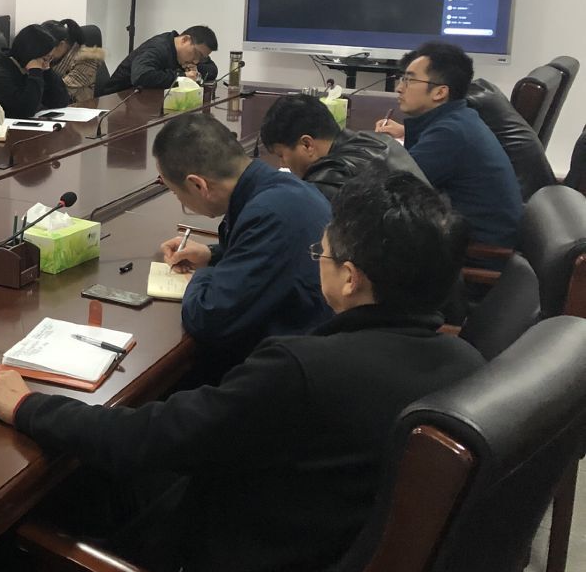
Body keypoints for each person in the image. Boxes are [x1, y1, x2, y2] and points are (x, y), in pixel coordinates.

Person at [0, 171, 484, 572]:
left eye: (322, 253)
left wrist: (28, 407)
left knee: (22, 538)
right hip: (314, 553)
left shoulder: (303, 371)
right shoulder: (467, 361)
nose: (317, 260)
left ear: (350, 278)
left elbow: (148, 438)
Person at [155, 112, 332, 380]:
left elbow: (208, 318)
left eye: (175, 192)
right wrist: (212, 255)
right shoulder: (281, 188)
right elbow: (263, 257)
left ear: (198, 185)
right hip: (309, 349)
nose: (179, 199)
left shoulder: (269, 214)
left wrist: (204, 275)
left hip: (295, 374)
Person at [374, 42, 522, 249]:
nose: (399, 88)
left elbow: (388, 186)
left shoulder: (449, 133)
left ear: (439, 92)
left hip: (477, 254)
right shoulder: (459, 119)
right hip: (462, 237)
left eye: (409, 80)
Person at [259, 92, 428, 202]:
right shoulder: (378, 139)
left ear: (307, 144)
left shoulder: (327, 183)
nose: (282, 164)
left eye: (281, 155)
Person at [0, 23, 71, 119]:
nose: (46, 64)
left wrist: (47, 71)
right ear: (30, 54)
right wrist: (35, 72)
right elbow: (26, 110)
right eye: (45, 59)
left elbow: (60, 101)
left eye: (50, 58)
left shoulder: (31, 66)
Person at [100, 25, 218, 96]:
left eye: (202, 58)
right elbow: (141, 76)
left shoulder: (191, 57)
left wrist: (196, 72)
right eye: (196, 54)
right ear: (185, 40)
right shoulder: (158, 48)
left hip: (149, 102)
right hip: (116, 102)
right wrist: (182, 77)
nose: (196, 61)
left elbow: (212, 70)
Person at [45, 18, 107, 104]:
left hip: (77, 107)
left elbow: (60, 93)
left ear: (62, 44)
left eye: (47, 47)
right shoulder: (53, 58)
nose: (44, 52)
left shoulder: (87, 59)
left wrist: (43, 67)